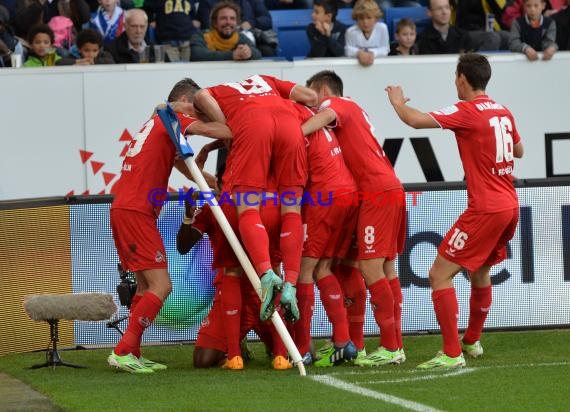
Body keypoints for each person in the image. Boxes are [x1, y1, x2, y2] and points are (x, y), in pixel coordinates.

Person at [385, 52, 524, 369]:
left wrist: (396, 102)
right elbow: (518, 149)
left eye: (455, 76)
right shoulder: (502, 110)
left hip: (486, 208)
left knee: (439, 274)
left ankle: (451, 353)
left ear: (462, 78)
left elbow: (415, 120)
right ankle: (472, 341)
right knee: (480, 270)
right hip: (509, 204)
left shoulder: (467, 111)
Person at [107, 78, 232, 374]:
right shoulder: (171, 117)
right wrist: (234, 125)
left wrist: (211, 182)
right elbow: (221, 130)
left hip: (127, 208)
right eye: (198, 104)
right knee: (163, 286)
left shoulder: (157, 122)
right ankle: (123, 350)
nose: (200, 110)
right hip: (136, 211)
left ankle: (132, 351)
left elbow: (178, 163)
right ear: (187, 101)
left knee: (145, 285)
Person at [193, 75, 318, 324]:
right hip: (289, 124)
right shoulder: (266, 80)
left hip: (251, 124)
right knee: (291, 209)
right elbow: (311, 97)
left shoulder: (218, 88)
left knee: (248, 206)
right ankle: (290, 284)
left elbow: (199, 96)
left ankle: (267, 274)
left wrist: (227, 124)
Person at [302, 70, 407, 366]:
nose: (311, 103)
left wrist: (293, 132)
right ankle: (379, 344)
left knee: (370, 268)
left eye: (312, 95)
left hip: (375, 191)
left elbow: (322, 118)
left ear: (323, 91)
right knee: (385, 268)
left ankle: (389, 346)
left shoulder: (335, 104)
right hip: (383, 188)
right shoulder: (356, 108)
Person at [177, 189, 293, 371]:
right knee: (202, 360)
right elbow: (183, 247)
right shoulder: (215, 209)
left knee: (299, 352)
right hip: (229, 296)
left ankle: (262, 346)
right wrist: (187, 217)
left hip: (264, 296)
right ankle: (235, 345)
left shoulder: (272, 205)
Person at [289, 102, 359, 367]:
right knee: (323, 268)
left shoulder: (292, 123)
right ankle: (344, 342)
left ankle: (303, 348)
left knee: (304, 270)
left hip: (326, 196)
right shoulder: (312, 116)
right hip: (348, 193)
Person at [190, 1, 262, 61]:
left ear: (237, 22)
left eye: (232, 18)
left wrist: (249, 53)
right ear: (215, 22)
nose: (228, 22)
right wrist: (232, 55)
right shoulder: (200, 36)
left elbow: (257, 54)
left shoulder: (240, 38)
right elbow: (197, 55)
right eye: (223, 18)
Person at [344, 0, 389, 66]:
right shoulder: (351, 31)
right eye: (361, 18)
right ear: (356, 19)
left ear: (376, 18)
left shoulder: (382, 28)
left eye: (369, 18)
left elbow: (385, 49)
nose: (365, 22)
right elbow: (347, 50)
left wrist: (373, 53)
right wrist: (358, 53)